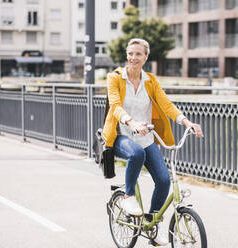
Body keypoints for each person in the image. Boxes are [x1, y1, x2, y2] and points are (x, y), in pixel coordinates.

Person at [102, 38, 203, 246]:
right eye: (130, 53)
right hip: (122, 134)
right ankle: (129, 196)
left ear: (146, 57)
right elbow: (115, 106)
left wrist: (186, 122)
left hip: (147, 137)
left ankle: (152, 222)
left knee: (164, 181)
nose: (133, 58)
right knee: (136, 153)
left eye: (138, 54)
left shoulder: (150, 81)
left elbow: (166, 104)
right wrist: (130, 121)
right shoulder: (115, 78)